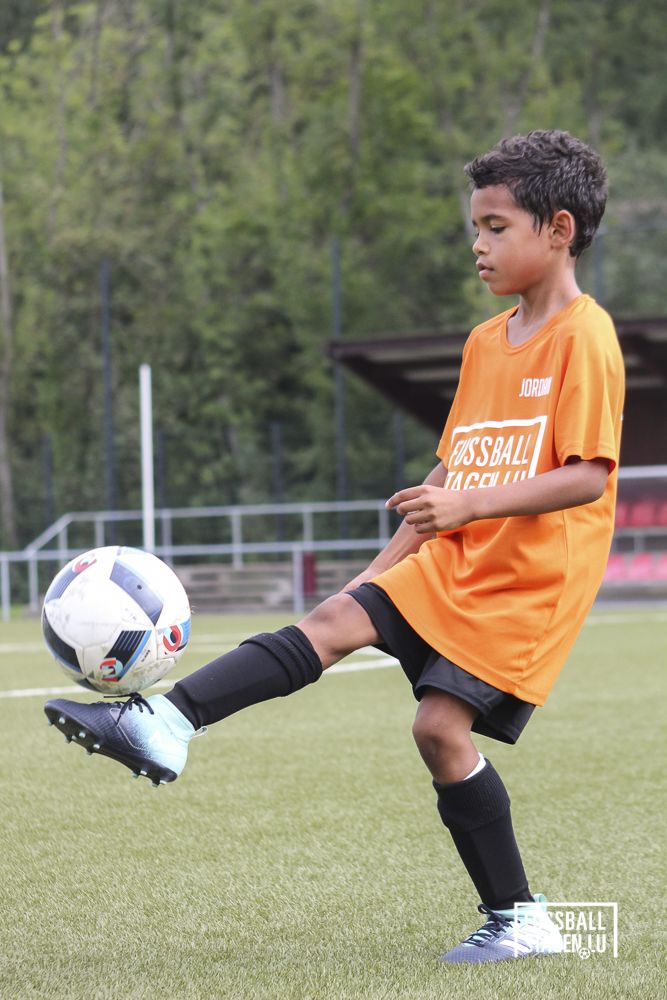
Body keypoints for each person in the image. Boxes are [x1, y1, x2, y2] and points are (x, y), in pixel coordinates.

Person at [45, 129, 625, 965]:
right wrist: (376, 572)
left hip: (526, 581)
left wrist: (463, 505)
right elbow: (448, 473)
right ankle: (163, 723)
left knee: (438, 729)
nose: (477, 244)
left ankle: (519, 918)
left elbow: (586, 477)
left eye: (495, 227)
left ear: (559, 229)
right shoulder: (482, 342)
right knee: (336, 627)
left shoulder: (584, 336)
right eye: (475, 227)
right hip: (456, 556)